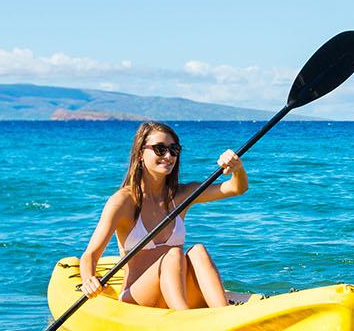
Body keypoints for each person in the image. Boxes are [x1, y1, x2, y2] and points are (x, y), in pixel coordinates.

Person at [79, 121, 249, 308]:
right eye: (160, 149)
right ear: (140, 154)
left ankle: (223, 312)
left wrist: (237, 168)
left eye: (174, 150)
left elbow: (237, 188)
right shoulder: (122, 201)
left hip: (178, 292)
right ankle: (183, 318)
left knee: (198, 251)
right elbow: (90, 255)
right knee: (174, 255)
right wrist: (89, 279)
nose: (168, 156)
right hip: (138, 298)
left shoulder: (182, 195)